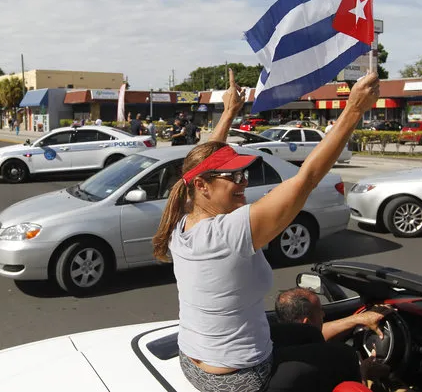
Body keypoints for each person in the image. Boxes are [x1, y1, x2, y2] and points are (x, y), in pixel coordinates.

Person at [152, 69, 380, 392]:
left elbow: (197, 167)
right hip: (241, 378)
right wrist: (354, 109)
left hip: (193, 360)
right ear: (202, 187)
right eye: (233, 178)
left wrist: (229, 111)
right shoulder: (228, 233)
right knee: (342, 358)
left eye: (243, 174)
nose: (243, 182)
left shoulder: (181, 219)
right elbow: (307, 178)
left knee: (308, 335)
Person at [275, 288, 390, 341]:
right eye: (320, 310)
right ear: (305, 324)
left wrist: (357, 319)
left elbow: (318, 334)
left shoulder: (273, 341)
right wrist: (366, 370)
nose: (323, 314)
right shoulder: (327, 359)